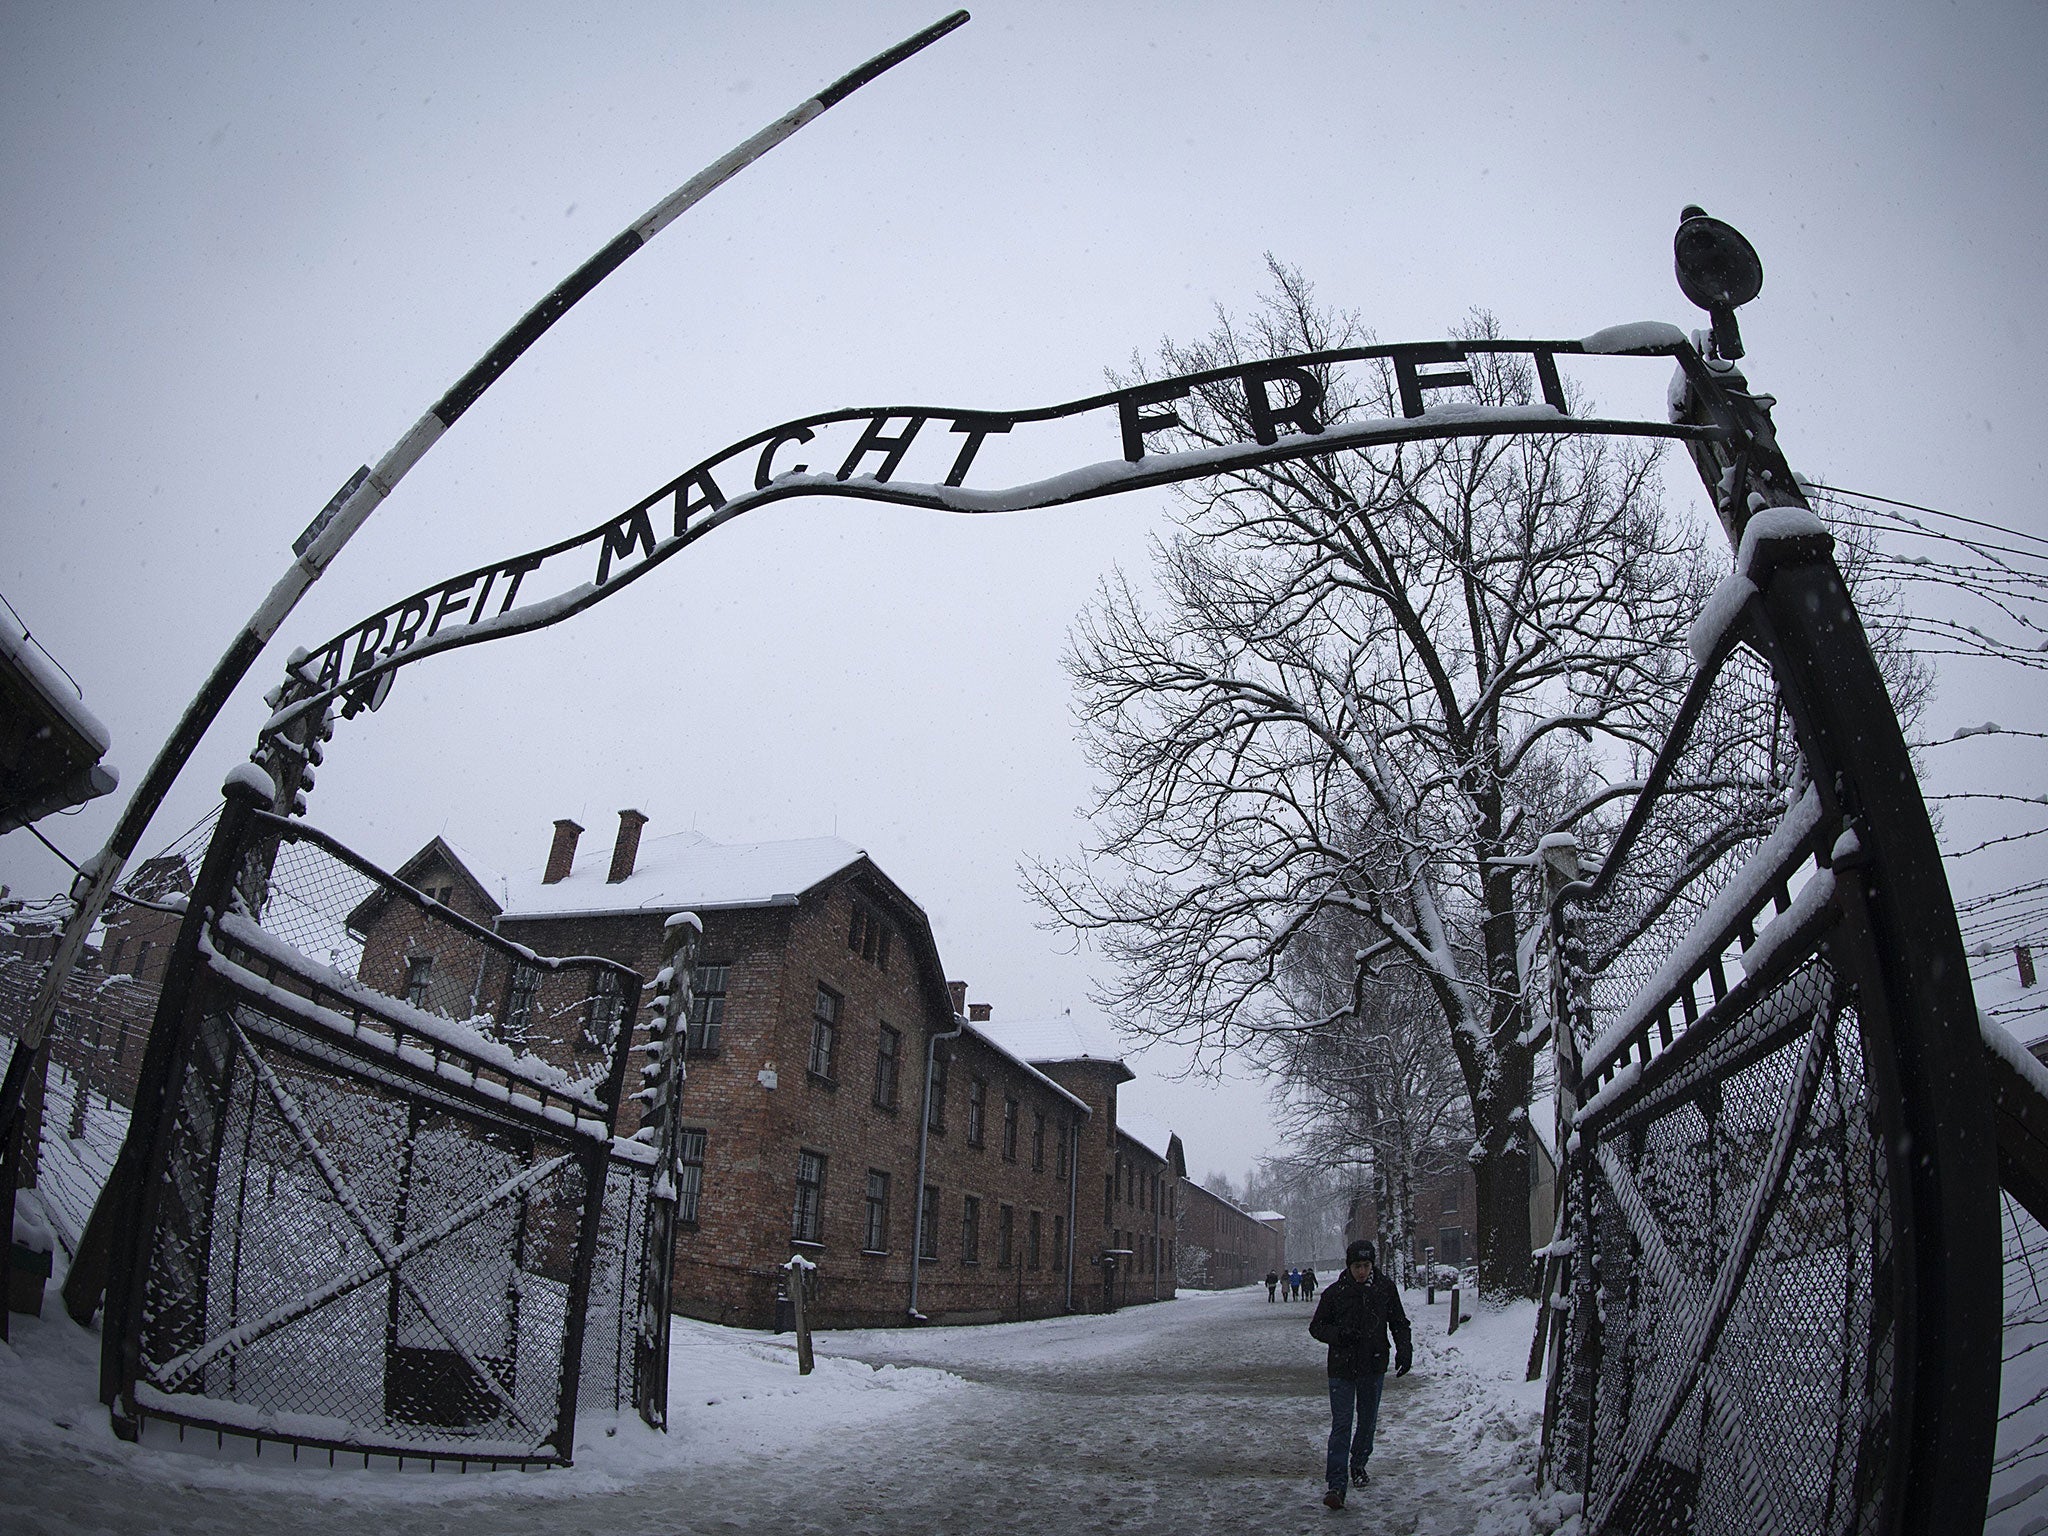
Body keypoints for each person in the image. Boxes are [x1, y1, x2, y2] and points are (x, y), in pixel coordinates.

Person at [1308, 1238, 1411, 1510]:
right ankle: (1336, 1485)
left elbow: (1399, 1322)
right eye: (1357, 1266)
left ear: (1372, 1265)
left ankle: (1359, 1463)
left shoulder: (1385, 1289)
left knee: (1367, 1422)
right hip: (1341, 1367)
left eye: (1366, 1265)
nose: (1362, 1271)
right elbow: (1316, 1327)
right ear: (1349, 1266)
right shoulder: (1335, 1293)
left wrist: (1405, 1348)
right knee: (1342, 1424)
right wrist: (1339, 1335)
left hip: (1373, 1365)